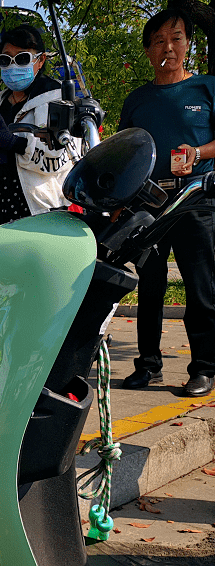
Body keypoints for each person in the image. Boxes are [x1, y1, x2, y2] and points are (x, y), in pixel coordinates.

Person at [118, 7, 215, 397]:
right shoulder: (137, 100)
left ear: (188, 44)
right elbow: (126, 152)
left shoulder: (207, 88)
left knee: (201, 286)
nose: (168, 47)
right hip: (149, 204)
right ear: (147, 51)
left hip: (196, 199)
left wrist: (199, 152)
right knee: (150, 286)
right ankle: (148, 366)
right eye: (158, 40)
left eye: (176, 38)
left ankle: (204, 368)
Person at [0, 24, 77, 230]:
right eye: (6, 60)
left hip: (38, 210)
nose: (13, 66)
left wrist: (15, 143)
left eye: (22, 58)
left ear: (40, 60)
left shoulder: (58, 100)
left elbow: (60, 160)